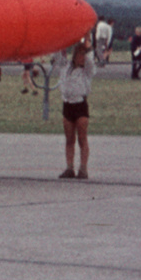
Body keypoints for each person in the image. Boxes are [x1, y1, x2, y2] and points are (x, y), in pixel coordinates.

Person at [54, 42, 94, 179]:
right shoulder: (66, 66)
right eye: (80, 54)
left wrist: (87, 46)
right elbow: (58, 54)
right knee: (69, 139)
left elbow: (90, 59)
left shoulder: (87, 70)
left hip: (80, 105)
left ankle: (83, 168)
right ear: (74, 55)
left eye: (84, 54)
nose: (82, 57)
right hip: (67, 105)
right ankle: (69, 168)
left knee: (82, 138)